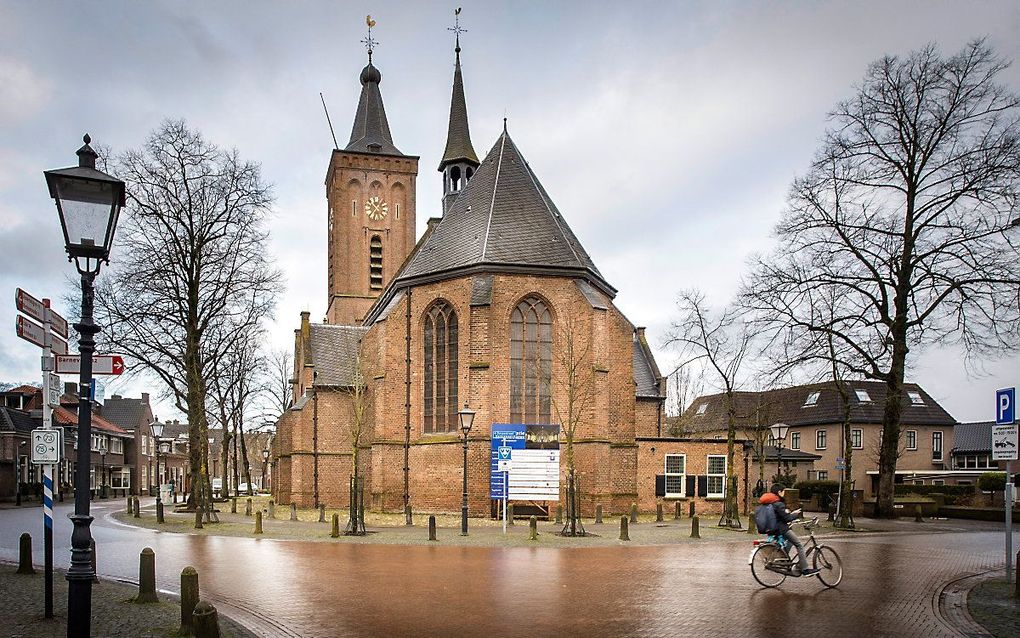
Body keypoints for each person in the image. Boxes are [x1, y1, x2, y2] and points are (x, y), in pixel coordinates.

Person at [758, 484, 819, 576]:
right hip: (781, 529)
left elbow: (778, 516)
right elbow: (787, 518)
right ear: (779, 492)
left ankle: (783, 559)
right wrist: (795, 515)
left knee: (789, 542)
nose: (784, 494)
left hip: (772, 529)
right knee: (799, 545)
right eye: (783, 492)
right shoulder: (778, 504)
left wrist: (788, 514)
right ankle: (805, 570)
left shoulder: (768, 503)